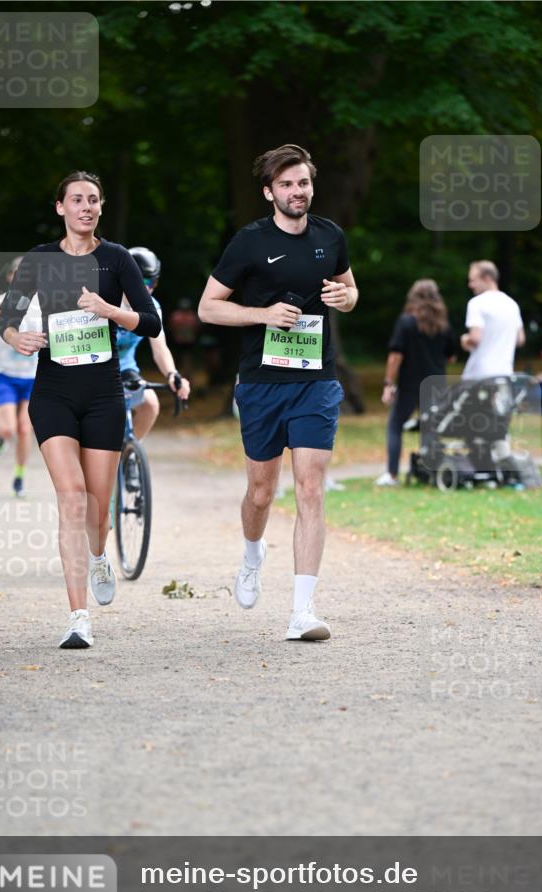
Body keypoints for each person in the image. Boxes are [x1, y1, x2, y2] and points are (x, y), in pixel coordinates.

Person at [198, 143, 358, 641]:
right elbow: (208, 307)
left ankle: (302, 611)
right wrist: (262, 315)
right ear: (270, 192)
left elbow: (350, 292)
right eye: (287, 185)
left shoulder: (330, 236)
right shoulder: (249, 242)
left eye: (303, 183)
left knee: (311, 488)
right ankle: (252, 554)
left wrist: (345, 297)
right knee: (261, 491)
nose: (297, 192)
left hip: (316, 381)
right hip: (263, 383)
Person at [0, 171, 161, 649]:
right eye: (77, 200)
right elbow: (9, 317)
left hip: (104, 396)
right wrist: (17, 337)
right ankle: (77, 616)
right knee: (70, 498)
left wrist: (111, 310)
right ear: (60, 208)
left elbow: (150, 321)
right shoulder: (40, 260)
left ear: (101, 208)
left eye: (93, 200)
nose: (86, 207)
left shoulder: (115, 260)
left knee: (95, 509)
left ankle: (99, 555)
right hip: (53, 393)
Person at [375, 279, 456, 487]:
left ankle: (392, 475)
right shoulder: (443, 326)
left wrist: (388, 383)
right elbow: (451, 356)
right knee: (430, 428)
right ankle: (430, 471)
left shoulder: (406, 322)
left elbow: (395, 355)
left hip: (410, 383)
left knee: (395, 425)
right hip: (435, 384)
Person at [0, 257, 40, 497]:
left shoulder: (43, 305)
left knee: (25, 429)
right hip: (7, 376)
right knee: (8, 430)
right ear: (11, 278)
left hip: (32, 378)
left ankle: (19, 477)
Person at [116, 246, 190, 441]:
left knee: (150, 405)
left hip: (124, 368)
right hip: (96, 367)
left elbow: (160, 348)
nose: (146, 288)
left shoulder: (152, 308)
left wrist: (172, 374)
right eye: (141, 281)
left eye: (152, 282)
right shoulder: (105, 299)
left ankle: (129, 454)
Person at [460, 261, 525, 379]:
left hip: (480, 375)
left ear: (487, 278)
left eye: (473, 280)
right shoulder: (512, 304)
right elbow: (520, 339)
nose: (470, 285)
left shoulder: (476, 303)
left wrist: (465, 340)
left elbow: (475, 338)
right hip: (505, 373)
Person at [167, 297, 199, 382]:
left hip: (183, 340)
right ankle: (184, 375)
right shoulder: (191, 315)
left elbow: (172, 327)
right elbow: (196, 328)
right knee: (185, 358)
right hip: (185, 340)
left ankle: (184, 375)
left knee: (185, 358)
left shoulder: (177, 315)